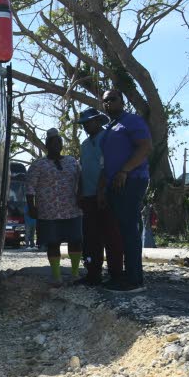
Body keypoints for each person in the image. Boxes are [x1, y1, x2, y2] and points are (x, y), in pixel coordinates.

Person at [98, 89, 152, 293]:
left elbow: (145, 147)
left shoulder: (132, 121)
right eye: (105, 101)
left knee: (129, 230)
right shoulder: (110, 127)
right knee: (121, 231)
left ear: (122, 100)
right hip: (114, 184)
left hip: (131, 180)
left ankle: (134, 280)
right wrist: (102, 190)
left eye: (113, 99)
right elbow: (105, 163)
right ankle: (122, 277)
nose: (108, 103)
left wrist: (125, 171)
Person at [26, 128, 84, 287]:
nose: (56, 145)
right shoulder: (38, 165)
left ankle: (74, 273)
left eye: (58, 142)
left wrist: (81, 196)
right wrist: (32, 207)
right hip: (48, 212)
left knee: (76, 241)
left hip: (72, 209)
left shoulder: (72, 161)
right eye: (52, 142)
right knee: (53, 243)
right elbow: (30, 187)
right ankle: (57, 276)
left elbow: (82, 181)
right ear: (46, 145)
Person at [73, 108, 123, 286]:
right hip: (88, 196)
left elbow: (107, 166)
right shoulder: (85, 144)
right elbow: (83, 169)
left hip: (107, 195)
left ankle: (116, 274)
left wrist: (102, 191)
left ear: (98, 121)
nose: (87, 126)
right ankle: (93, 273)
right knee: (90, 237)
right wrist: (79, 191)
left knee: (111, 235)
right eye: (84, 123)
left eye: (89, 122)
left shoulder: (108, 138)